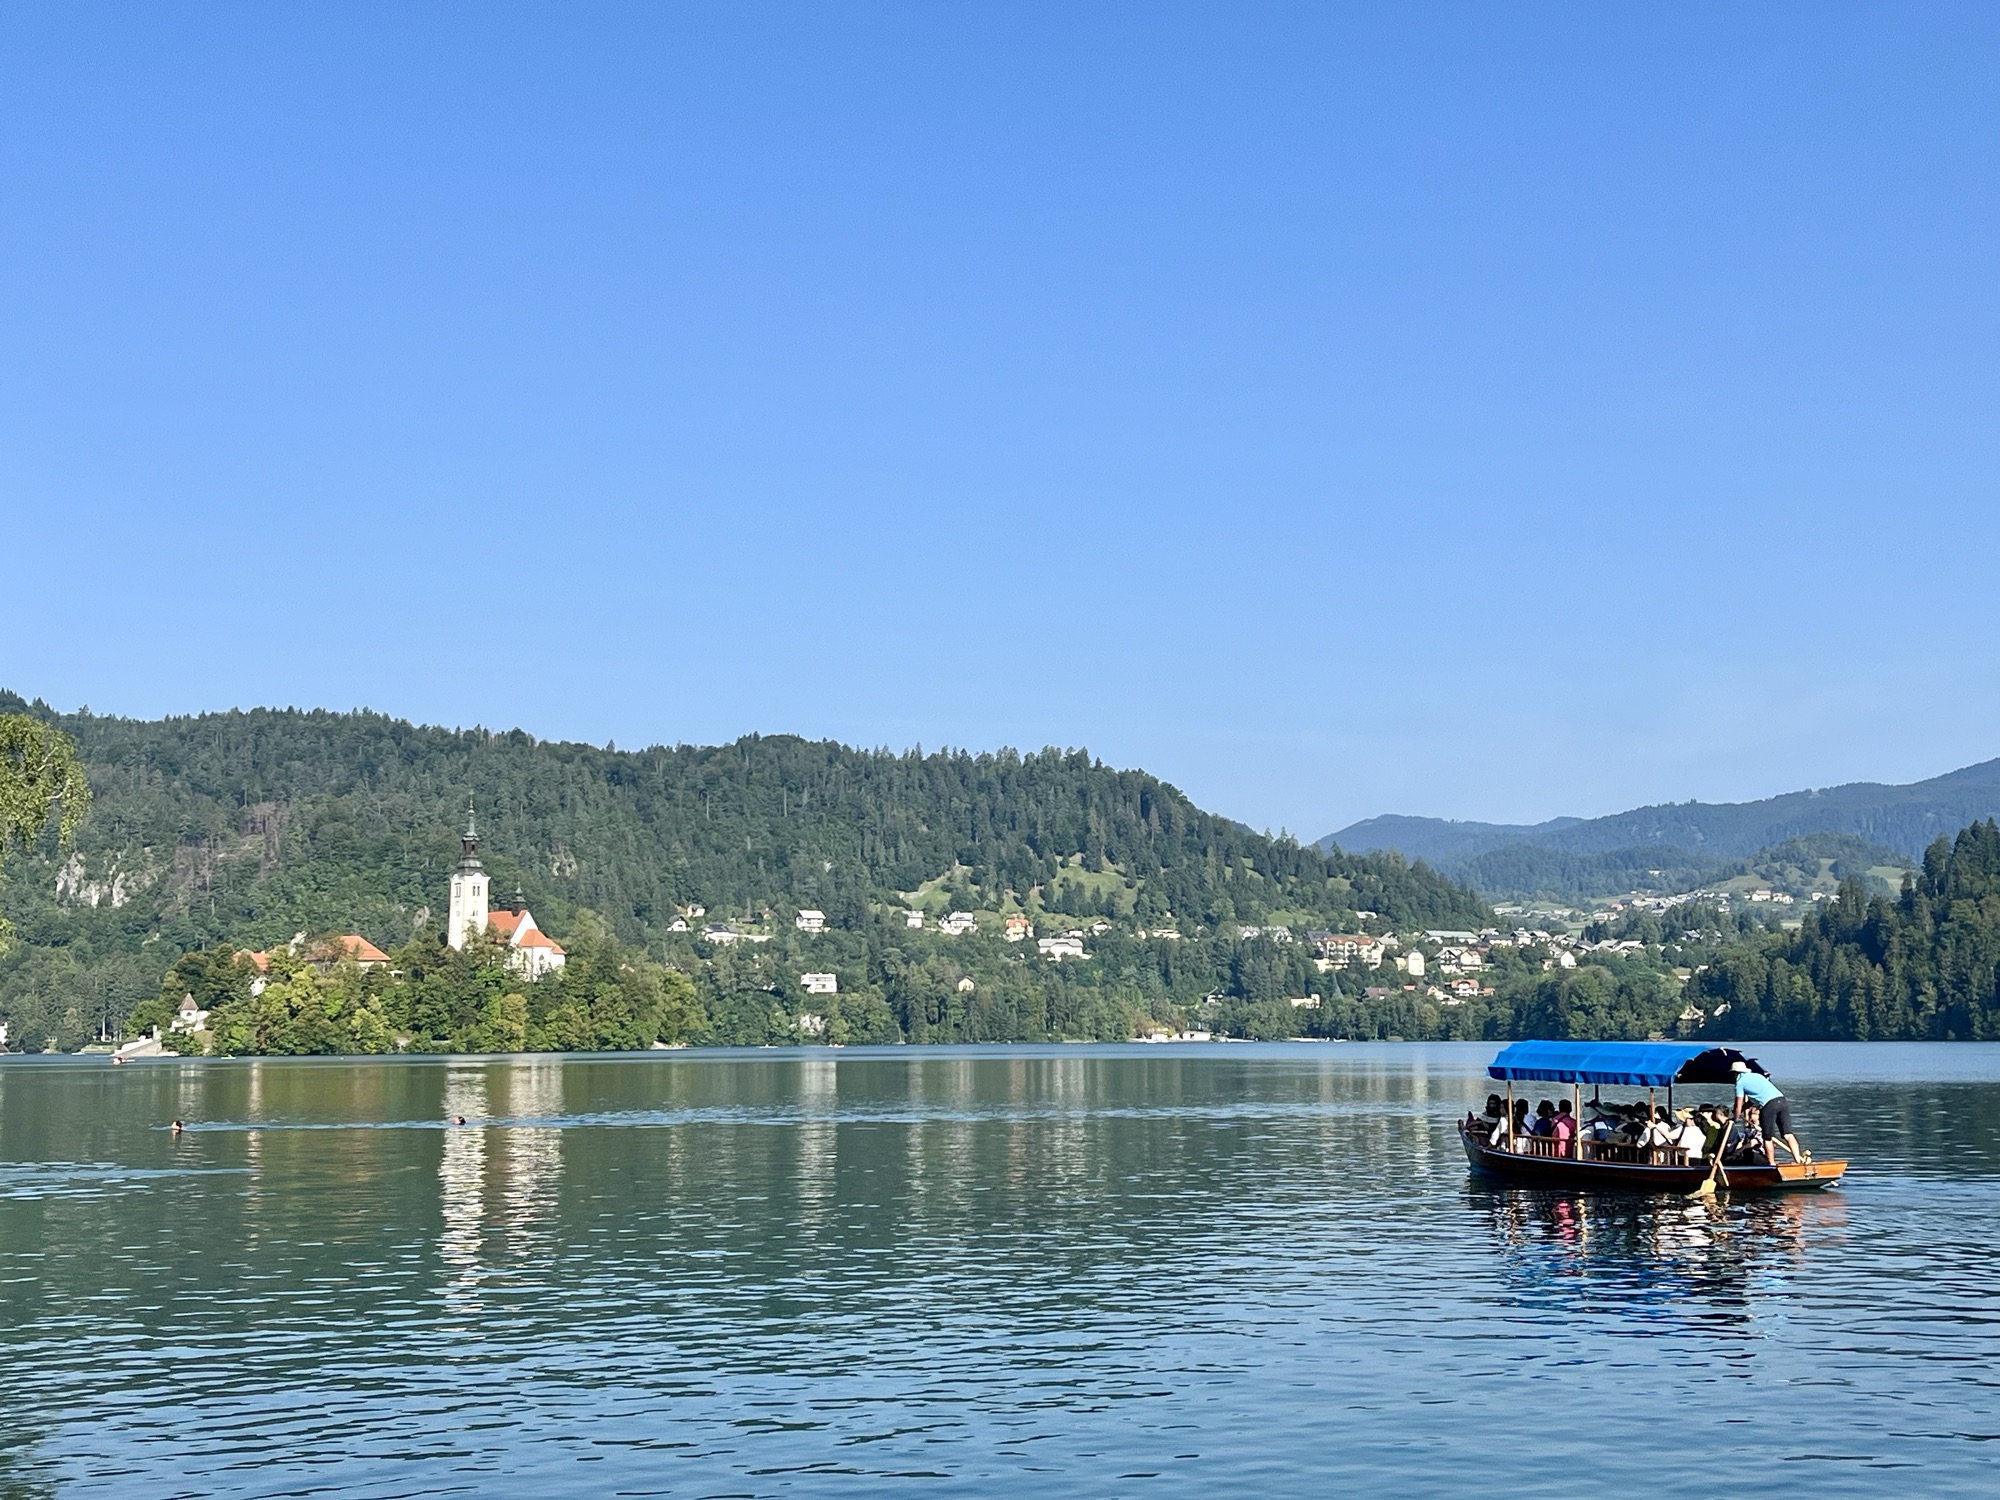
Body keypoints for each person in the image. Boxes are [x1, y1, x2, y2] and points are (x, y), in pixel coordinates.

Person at [1732, 1060, 1808, 1165]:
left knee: (1767, 1137)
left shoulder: (1740, 1082)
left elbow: (1737, 1105)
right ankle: (1798, 1160)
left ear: (1735, 1073)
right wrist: (1743, 1108)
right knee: (1788, 1134)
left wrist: (1734, 1118)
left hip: (1768, 1105)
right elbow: (1754, 1099)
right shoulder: (1758, 1076)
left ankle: (1771, 1164)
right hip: (1781, 1100)